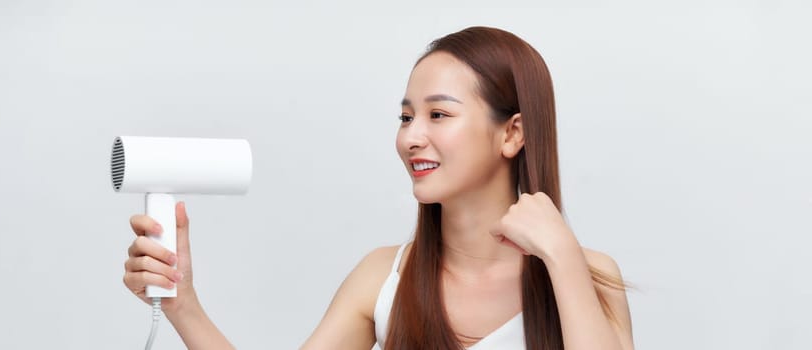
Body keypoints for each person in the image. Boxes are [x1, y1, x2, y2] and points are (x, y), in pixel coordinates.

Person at [121, 26, 634, 350]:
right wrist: (182, 303)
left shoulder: (588, 275)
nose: (411, 137)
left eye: (438, 114)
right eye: (406, 116)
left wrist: (561, 257)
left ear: (512, 133)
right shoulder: (385, 278)